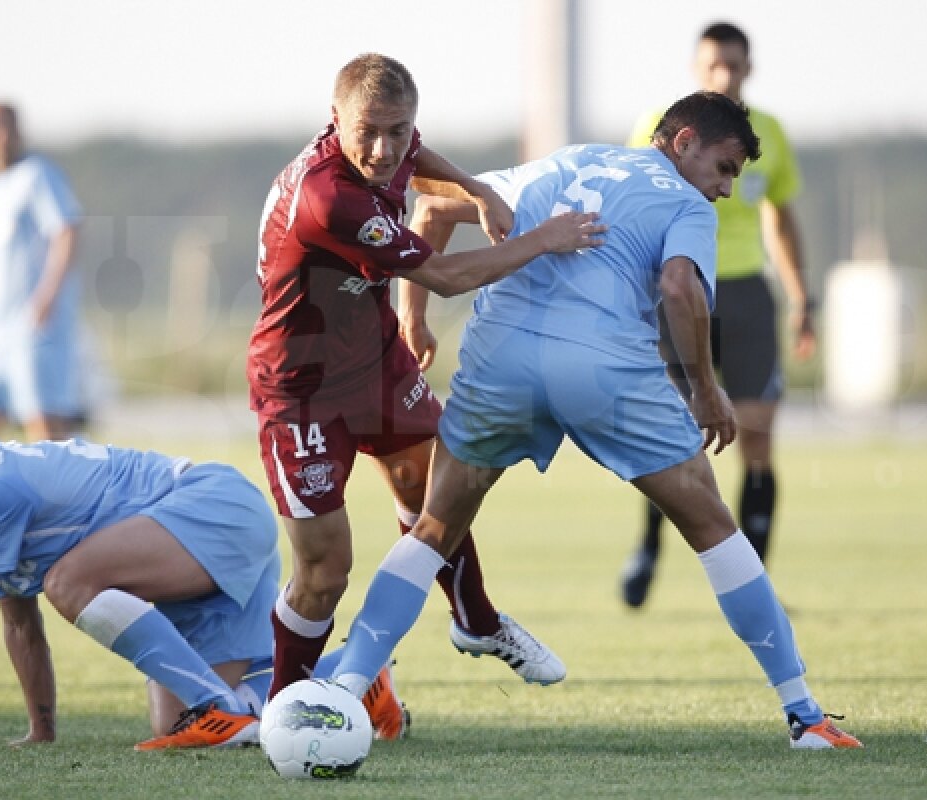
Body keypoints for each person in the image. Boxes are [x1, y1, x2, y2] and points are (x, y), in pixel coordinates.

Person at [325, 91, 862, 751]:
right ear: (684, 140)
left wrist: (413, 316)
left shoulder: (562, 163)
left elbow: (433, 203)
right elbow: (677, 287)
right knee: (713, 528)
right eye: (724, 168)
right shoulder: (687, 204)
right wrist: (705, 389)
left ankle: (344, 689)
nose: (725, 189)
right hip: (604, 373)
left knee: (435, 528)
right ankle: (805, 716)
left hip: (501, 362)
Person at [247, 53, 603, 739]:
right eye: (368, 133)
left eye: (398, 130)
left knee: (439, 493)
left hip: (375, 363)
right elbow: (442, 273)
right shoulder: (331, 198)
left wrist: (475, 189)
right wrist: (542, 240)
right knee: (325, 572)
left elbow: (415, 158)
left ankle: (475, 619)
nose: (383, 150)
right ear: (335, 123)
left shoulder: (392, 149)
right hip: (301, 388)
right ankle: (285, 712)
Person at [0, 391, 282, 751]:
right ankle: (333, 674)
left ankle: (217, 707)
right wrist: (41, 730)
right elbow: (19, 624)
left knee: (68, 582)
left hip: (216, 510)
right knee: (173, 722)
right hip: (197, 542)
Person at [620, 22, 817, 608]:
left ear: (748, 69)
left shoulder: (770, 135)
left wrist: (802, 296)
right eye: (714, 67)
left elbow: (780, 218)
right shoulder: (662, 126)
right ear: (697, 71)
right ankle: (650, 547)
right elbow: (633, 209)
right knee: (674, 432)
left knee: (756, 429)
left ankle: (755, 575)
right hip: (678, 289)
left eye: (734, 65)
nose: (725, 76)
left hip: (747, 291)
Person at [0, 103, 85, 444]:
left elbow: (67, 231)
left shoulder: (37, 174)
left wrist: (47, 297)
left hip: (31, 325)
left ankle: (62, 496)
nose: (0, 138)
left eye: (7, 128)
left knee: (44, 423)